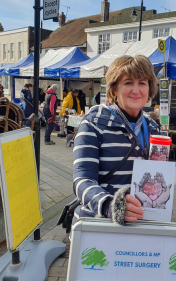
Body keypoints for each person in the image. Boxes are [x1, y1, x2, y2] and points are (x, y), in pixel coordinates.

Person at [72, 55, 161, 229]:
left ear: (149, 89)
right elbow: (82, 180)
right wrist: (110, 206)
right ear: (114, 89)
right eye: (128, 83)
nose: (136, 90)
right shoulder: (95, 122)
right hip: (97, 225)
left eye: (142, 83)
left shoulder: (152, 127)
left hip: (139, 225)